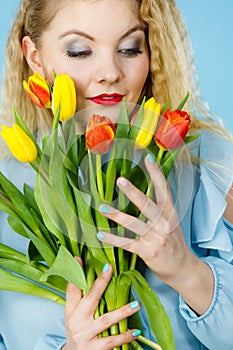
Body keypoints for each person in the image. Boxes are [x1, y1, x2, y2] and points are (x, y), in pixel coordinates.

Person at [0, 0, 233, 349]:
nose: (109, 72)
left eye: (130, 48)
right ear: (34, 56)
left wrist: (185, 269)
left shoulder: (208, 163)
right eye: (79, 51)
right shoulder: (10, 189)